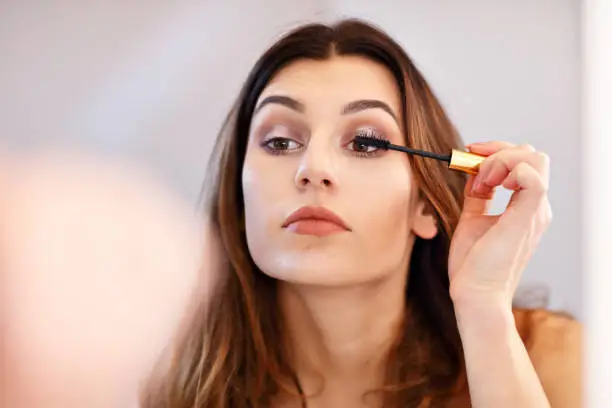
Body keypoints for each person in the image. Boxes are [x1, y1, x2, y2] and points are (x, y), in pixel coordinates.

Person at [139, 19, 581, 408]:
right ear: (239, 196)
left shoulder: (554, 359)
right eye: (279, 142)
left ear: (425, 204)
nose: (313, 169)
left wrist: (484, 311)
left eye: (366, 143)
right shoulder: (160, 381)